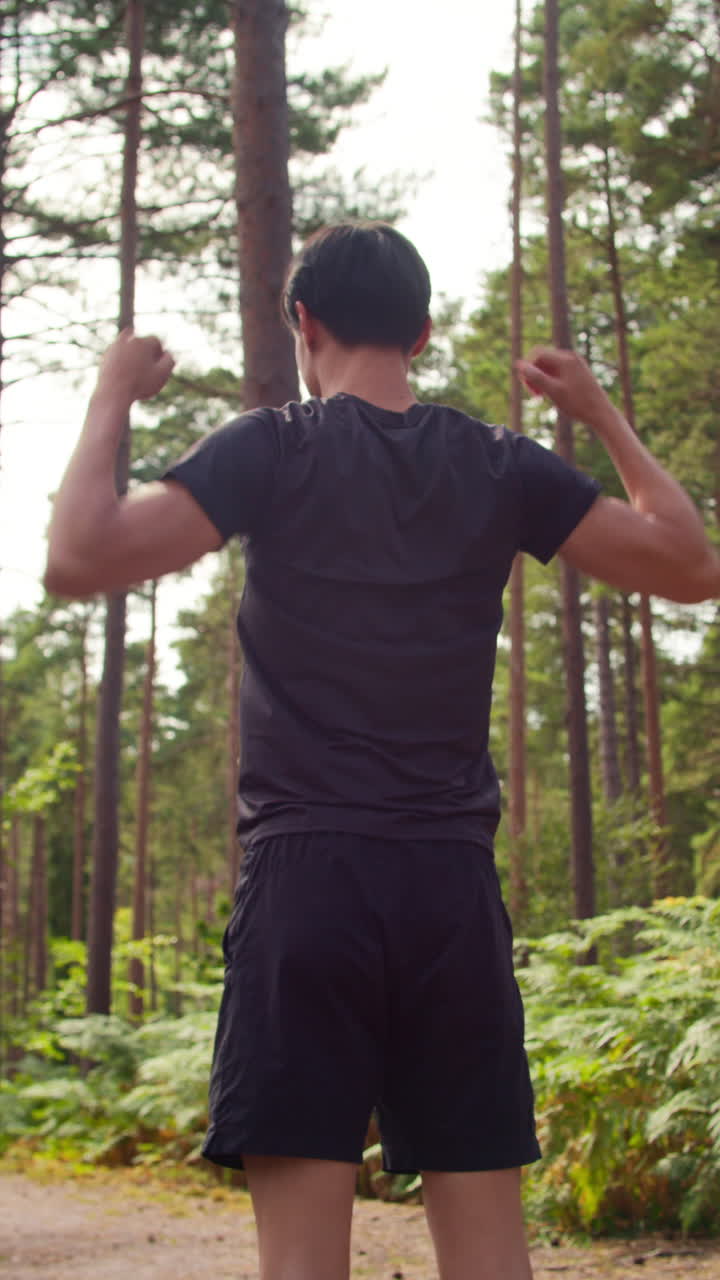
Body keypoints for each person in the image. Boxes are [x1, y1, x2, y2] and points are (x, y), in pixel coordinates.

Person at [45, 221, 720, 1280]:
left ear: (305, 324)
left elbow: (81, 554)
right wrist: (598, 415)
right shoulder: (503, 464)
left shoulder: (272, 447)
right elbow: (689, 564)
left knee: (304, 1263)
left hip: (305, 884)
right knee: (493, 1258)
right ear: (424, 332)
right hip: (450, 888)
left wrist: (112, 394)